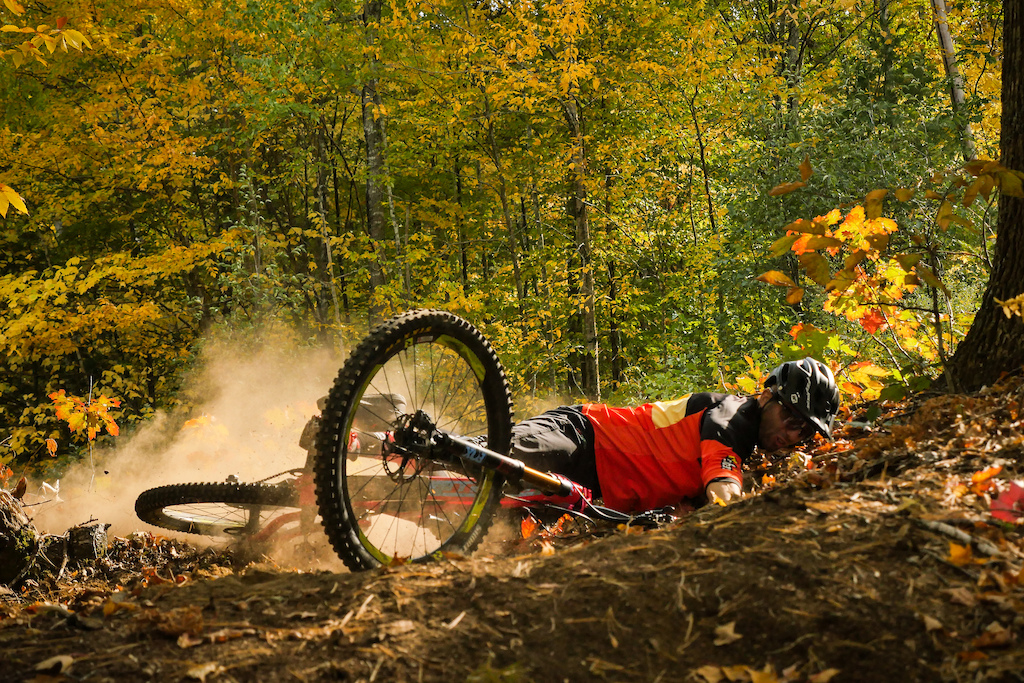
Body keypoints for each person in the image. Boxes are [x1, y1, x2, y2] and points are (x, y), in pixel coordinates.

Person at [510, 357, 840, 513]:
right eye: (789, 416)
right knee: (493, 454)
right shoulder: (734, 415)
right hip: (582, 434)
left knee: (492, 509)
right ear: (767, 396)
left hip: (589, 487)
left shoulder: (746, 446)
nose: (792, 432)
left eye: (804, 429)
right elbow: (724, 488)